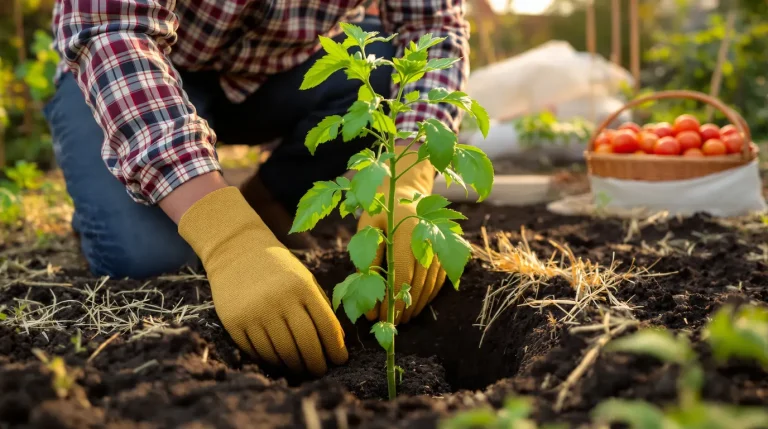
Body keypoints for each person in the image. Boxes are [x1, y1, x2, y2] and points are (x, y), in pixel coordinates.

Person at [45, 0, 469, 376]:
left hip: (280, 74)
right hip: (135, 69)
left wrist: (410, 171)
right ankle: (120, 212)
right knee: (149, 261)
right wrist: (228, 235)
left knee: (375, 68)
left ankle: (268, 203)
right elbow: (112, 29)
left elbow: (433, 29)